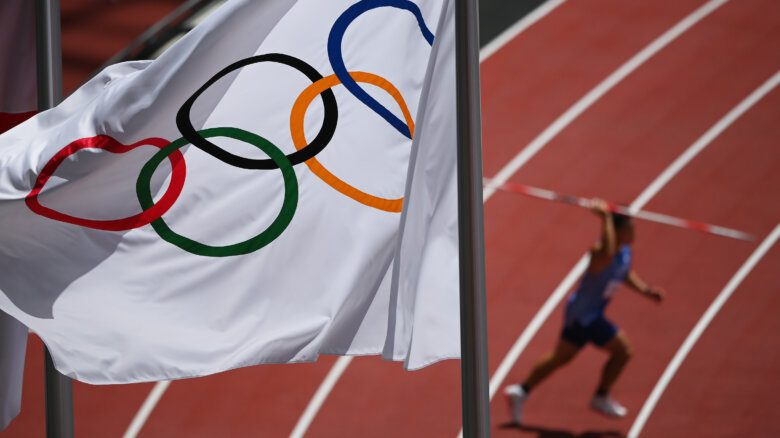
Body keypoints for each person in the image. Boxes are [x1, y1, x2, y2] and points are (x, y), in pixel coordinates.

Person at [504, 199, 665, 424]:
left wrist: (646, 291)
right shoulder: (600, 252)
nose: (634, 230)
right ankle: (600, 396)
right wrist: (606, 217)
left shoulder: (625, 253)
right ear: (617, 230)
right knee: (623, 350)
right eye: (630, 226)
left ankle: (521, 391)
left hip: (583, 313)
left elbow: (624, 273)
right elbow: (608, 253)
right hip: (585, 316)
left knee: (562, 356)